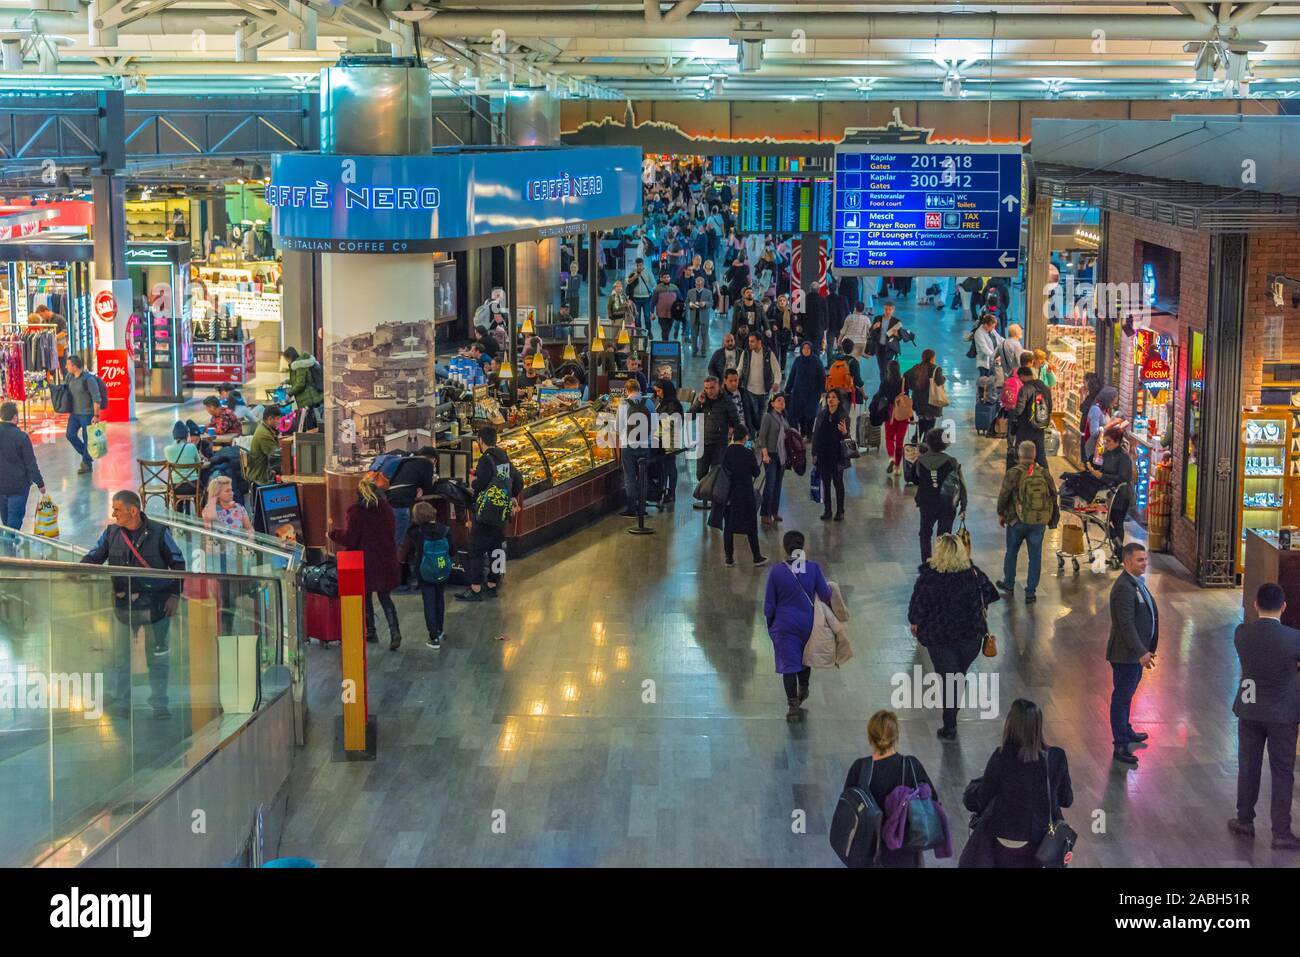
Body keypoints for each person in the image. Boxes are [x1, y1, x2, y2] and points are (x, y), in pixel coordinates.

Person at [81, 490, 186, 718]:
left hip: (156, 607)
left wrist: (175, 595)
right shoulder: (111, 533)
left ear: (133, 511)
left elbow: (178, 563)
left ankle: (160, 705)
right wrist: (79, 570)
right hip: (123, 607)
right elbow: (96, 555)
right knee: (120, 658)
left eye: (117, 509)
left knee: (157, 657)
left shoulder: (159, 532)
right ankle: (122, 703)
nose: (113, 513)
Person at [909, 533, 1000, 740]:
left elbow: (917, 609)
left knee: (950, 678)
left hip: (939, 638)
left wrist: (916, 623)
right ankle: (951, 717)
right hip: (971, 638)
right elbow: (990, 594)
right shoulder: (974, 575)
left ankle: (950, 725)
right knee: (957, 676)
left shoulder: (929, 578)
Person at [1230, 583, 1300, 848]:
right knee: (1282, 772)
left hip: (1249, 709)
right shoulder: (1294, 638)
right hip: (1283, 714)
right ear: (1284, 607)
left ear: (1256, 605)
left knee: (1248, 765)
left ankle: (1244, 820)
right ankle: (1281, 833)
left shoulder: (1242, 633)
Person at [967, 699, 1074, 867]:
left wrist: (971, 790)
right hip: (1041, 842)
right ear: (1039, 725)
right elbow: (1066, 800)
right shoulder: (1056, 757)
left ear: (1011, 724)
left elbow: (981, 799)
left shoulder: (1002, 756)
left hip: (1003, 836)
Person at [841, 710, 938, 867]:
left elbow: (846, 810)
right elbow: (933, 801)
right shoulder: (912, 766)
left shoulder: (860, 768)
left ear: (870, 737)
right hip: (904, 853)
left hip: (868, 854)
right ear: (896, 736)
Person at [329, 478, 403, 650]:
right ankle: (395, 631)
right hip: (386, 559)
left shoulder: (356, 512)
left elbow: (350, 539)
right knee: (385, 597)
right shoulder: (386, 509)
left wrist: (333, 534)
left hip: (366, 561)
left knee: (366, 596)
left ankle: (370, 631)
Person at [764, 530, 830, 720]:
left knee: (789, 666)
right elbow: (825, 595)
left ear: (785, 548)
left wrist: (771, 625)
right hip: (808, 624)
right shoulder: (813, 568)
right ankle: (805, 687)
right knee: (805, 657)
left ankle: (793, 706)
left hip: (785, 626)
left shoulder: (777, 571)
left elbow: (770, 604)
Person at [457, 426, 524, 602]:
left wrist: (472, 482)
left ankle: (476, 588)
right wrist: (512, 497)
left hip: (486, 512)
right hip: (501, 512)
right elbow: (518, 479)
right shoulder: (503, 456)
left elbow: (480, 485)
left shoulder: (485, 460)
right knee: (497, 547)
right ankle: (494, 583)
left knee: (477, 549)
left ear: (480, 440)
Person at [1107, 542, 1159, 767]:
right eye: (1140, 560)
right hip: (1126, 655)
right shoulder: (1123, 589)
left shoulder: (1135, 583)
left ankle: (1125, 730)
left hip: (1135, 653)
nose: (1145, 563)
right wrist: (1141, 652)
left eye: (1145, 559)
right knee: (1121, 697)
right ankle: (1120, 742)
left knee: (1127, 694)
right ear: (1127, 562)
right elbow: (1125, 625)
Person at [996, 440, 1060, 604]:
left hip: (1017, 520)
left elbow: (1004, 495)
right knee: (1035, 556)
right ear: (1035, 455)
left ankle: (1009, 584)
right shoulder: (1043, 473)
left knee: (1012, 551)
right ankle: (1030, 592)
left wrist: (1001, 513)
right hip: (1038, 521)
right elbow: (1053, 494)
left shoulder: (1014, 473)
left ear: (1019, 454)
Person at [397, 501, 453, 650]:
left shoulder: (415, 533)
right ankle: (440, 630)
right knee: (439, 599)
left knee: (429, 602)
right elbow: (453, 551)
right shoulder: (445, 530)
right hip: (442, 570)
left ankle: (433, 637)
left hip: (424, 572)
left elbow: (404, 551)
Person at [386, 447, 440, 587]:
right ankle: (393, 581)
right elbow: (428, 488)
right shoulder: (426, 464)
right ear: (433, 459)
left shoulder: (408, 460)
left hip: (390, 501)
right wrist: (432, 481)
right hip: (401, 503)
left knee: (396, 540)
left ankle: (396, 577)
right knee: (399, 542)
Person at [914, 429, 967, 567]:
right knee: (944, 535)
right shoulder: (952, 461)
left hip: (926, 502)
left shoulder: (920, 461)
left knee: (925, 533)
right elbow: (961, 484)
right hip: (946, 504)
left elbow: (915, 478)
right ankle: (942, 564)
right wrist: (963, 506)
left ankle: (926, 563)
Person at [688, 375, 742, 508]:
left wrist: (732, 431)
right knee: (701, 473)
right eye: (706, 388)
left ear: (718, 386)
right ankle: (705, 500)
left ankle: (714, 502)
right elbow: (689, 417)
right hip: (703, 442)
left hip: (719, 443)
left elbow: (735, 420)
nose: (709, 391)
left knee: (716, 473)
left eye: (712, 387)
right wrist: (698, 403)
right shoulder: (702, 400)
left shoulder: (726, 401)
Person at [715, 426, 766, 568]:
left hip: (729, 495)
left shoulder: (725, 452)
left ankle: (729, 558)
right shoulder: (748, 453)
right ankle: (756, 557)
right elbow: (756, 473)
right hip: (745, 495)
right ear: (745, 438)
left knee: (728, 528)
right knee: (751, 527)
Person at [0, 400, 45, 529]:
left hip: (1, 486)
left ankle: (7, 545)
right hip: (18, 487)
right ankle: (10, 547)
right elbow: (30, 463)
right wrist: (40, 483)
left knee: (5, 522)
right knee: (14, 525)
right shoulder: (21, 437)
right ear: (15, 417)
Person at [617, 378, 656, 517]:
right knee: (643, 477)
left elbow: (618, 427)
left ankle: (631, 509)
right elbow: (655, 426)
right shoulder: (649, 402)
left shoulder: (623, 404)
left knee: (629, 477)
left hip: (627, 445)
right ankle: (642, 508)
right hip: (645, 444)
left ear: (627, 390)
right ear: (639, 389)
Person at [811, 388, 850, 521]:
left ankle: (840, 511)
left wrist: (845, 432)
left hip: (837, 455)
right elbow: (816, 434)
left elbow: (848, 438)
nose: (830, 400)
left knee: (838, 483)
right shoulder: (822, 415)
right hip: (823, 454)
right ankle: (827, 510)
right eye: (829, 397)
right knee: (826, 484)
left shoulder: (843, 416)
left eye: (833, 397)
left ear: (839, 400)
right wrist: (814, 452)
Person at [63, 355, 106, 474]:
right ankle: (87, 455)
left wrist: (96, 415)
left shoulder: (88, 379)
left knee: (88, 439)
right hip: (74, 414)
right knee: (70, 434)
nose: (66, 366)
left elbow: (96, 398)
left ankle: (86, 463)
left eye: (68, 364)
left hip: (87, 414)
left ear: (75, 366)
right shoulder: (69, 377)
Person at [1009, 365, 1052, 469]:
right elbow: (1050, 406)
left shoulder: (1025, 389)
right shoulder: (1044, 388)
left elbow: (1019, 409)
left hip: (1025, 427)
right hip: (1039, 426)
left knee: (1021, 454)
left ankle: (1021, 476)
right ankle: (1045, 477)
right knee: (1040, 454)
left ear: (1022, 376)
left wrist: (1013, 419)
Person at [757, 392, 790, 527]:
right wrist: (764, 454)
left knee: (778, 485)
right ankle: (765, 513)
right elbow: (762, 437)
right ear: (772, 403)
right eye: (778, 400)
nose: (781, 402)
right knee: (770, 484)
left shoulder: (784, 418)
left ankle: (774, 512)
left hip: (782, 455)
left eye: (783, 400)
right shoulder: (768, 417)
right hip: (770, 454)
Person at [738, 332, 781, 435]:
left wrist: (776, 382)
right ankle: (755, 432)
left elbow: (777, 370)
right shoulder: (746, 353)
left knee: (763, 415)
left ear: (759, 342)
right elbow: (739, 369)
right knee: (754, 414)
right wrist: (734, 379)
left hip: (765, 392)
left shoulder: (769, 354)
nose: (750, 344)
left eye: (752, 341)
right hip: (750, 390)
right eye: (749, 341)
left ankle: (761, 435)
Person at [871, 360, 908, 475]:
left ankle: (891, 457)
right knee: (900, 440)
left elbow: (880, 395)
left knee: (889, 437)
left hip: (890, 412)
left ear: (888, 370)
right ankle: (897, 467)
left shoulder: (885, 382)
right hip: (902, 412)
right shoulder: (903, 381)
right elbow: (907, 396)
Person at [785, 340, 825, 439]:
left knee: (811, 414)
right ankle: (802, 432)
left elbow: (822, 377)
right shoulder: (798, 360)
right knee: (800, 413)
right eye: (804, 348)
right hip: (799, 392)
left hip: (813, 393)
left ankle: (810, 433)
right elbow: (792, 375)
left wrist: (822, 391)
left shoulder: (817, 361)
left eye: (808, 348)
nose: (805, 350)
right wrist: (787, 389)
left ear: (811, 350)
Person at [904, 349, 946, 439]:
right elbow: (939, 381)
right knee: (929, 427)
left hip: (918, 403)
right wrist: (944, 378)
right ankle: (926, 445)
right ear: (932, 358)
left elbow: (905, 376)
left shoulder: (916, 368)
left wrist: (914, 387)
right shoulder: (936, 369)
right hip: (931, 403)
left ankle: (916, 439)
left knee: (921, 421)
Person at [164, 421, 204, 510]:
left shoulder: (167, 449)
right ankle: (200, 512)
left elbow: (168, 466)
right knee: (204, 489)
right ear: (187, 435)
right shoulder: (192, 447)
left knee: (178, 485)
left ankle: (179, 513)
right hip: (193, 486)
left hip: (176, 487)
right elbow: (199, 464)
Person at [282, 347, 324, 430]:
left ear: (289, 357)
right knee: (315, 421)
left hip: (310, 398)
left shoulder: (299, 365)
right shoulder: (299, 364)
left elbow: (300, 384)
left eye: (286, 359)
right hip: (313, 397)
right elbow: (298, 379)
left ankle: (316, 437)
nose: (287, 361)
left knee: (314, 423)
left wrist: (289, 394)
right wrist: (287, 381)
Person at [867, 300, 904, 382]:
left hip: (891, 349)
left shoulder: (896, 322)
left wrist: (897, 334)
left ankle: (890, 386)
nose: (887, 311)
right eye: (886, 309)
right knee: (882, 370)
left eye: (889, 310)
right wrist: (873, 328)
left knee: (890, 370)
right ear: (883, 309)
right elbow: (870, 333)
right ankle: (883, 387)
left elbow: (900, 338)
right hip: (880, 349)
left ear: (893, 310)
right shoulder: (877, 319)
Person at [246, 405, 282, 487]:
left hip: (260, 470)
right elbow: (277, 457)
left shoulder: (263, 427)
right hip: (261, 476)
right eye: (277, 419)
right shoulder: (264, 435)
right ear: (270, 419)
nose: (279, 421)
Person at [686, 273, 712, 357]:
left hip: (704, 317)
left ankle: (703, 351)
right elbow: (687, 302)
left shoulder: (708, 292)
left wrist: (705, 304)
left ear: (703, 284)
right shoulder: (690, 292)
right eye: (697, 283)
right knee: (694, 335)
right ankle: (694, 351)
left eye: (700, 283)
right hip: (694, 316)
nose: (699, 284)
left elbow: (712, 303)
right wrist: (690, 305)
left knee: (704, 335)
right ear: (695, 283)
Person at [973, 314, 1002, 379]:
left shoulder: (991, 330)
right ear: (986, 325)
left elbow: (999, 338)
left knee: (992, 382)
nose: (993, 328)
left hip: (992, 361)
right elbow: (984, 348)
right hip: (984, 363)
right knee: (984, 383)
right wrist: (995, 356)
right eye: (992, 327)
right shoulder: (979, 333)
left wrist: (1007, 342)